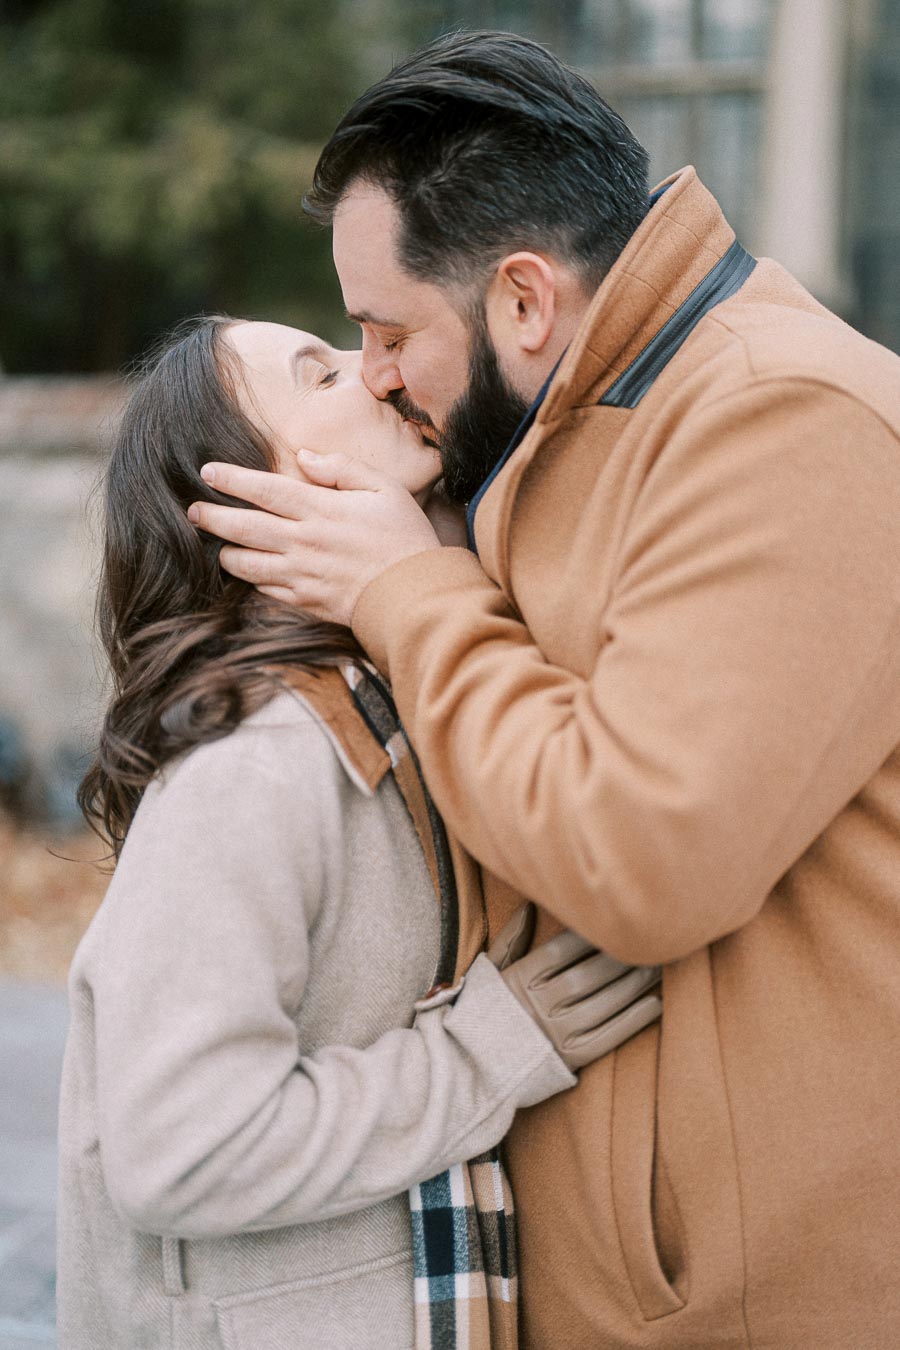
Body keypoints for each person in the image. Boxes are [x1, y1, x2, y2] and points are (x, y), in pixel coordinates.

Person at [190, 30, 900, 1350]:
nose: (377, 373)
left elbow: (646, 853)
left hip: (756, 1304)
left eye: (388, 332)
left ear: (523, 298)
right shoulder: (583, 420)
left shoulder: (784, 419)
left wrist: (408, 590)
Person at [57, 314, 663, 1350]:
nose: (375, 370)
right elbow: (182, 1151)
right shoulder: (253, 766)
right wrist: (496, 1049)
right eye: (319, 374)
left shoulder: (381, 704)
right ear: (252, 496)